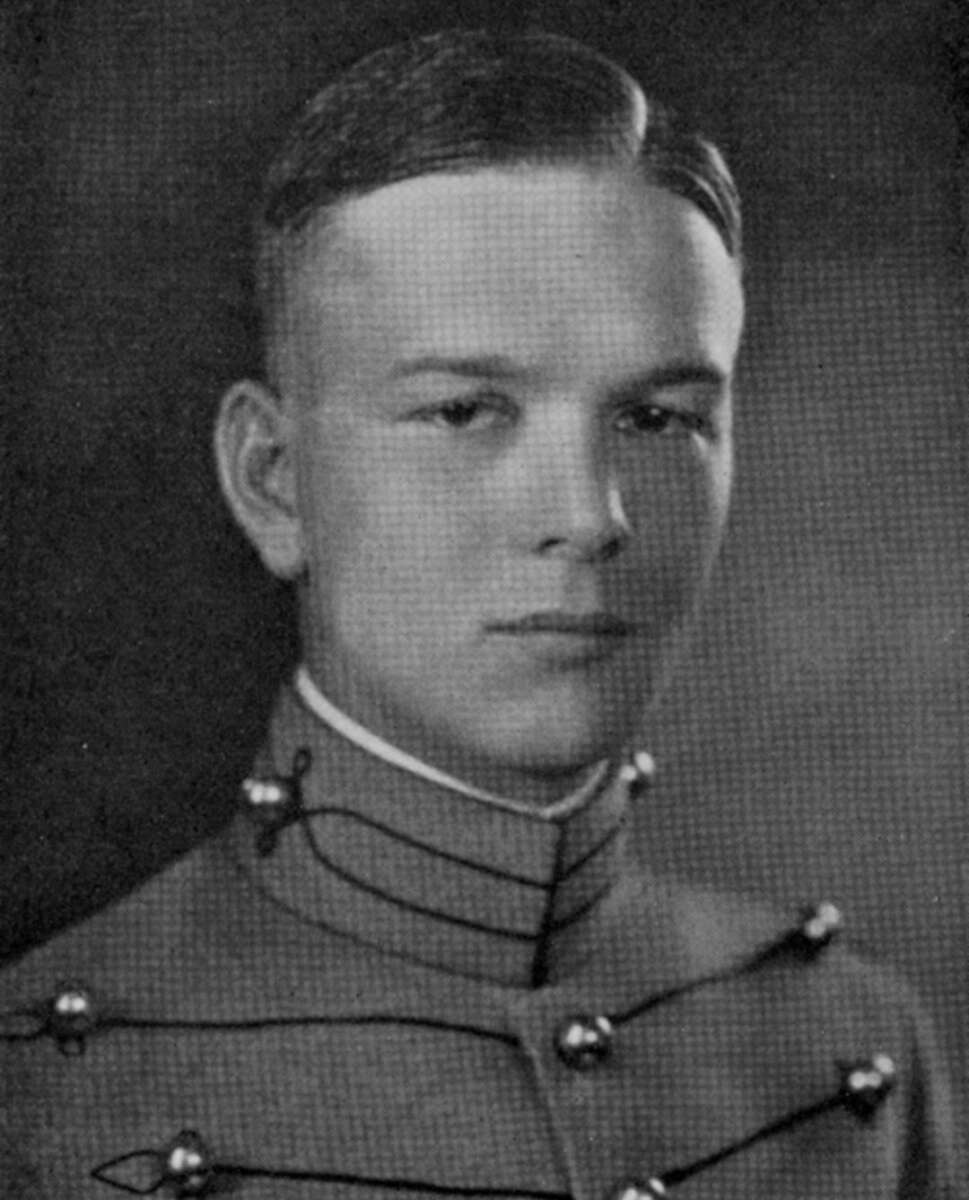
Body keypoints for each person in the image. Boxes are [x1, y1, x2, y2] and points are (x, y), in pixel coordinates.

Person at [0, 27, 962, 1200]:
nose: (591, 516)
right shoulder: (43, 1095)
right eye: (465, 411)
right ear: (274, 481)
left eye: (658, 418)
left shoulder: (851, 1052)